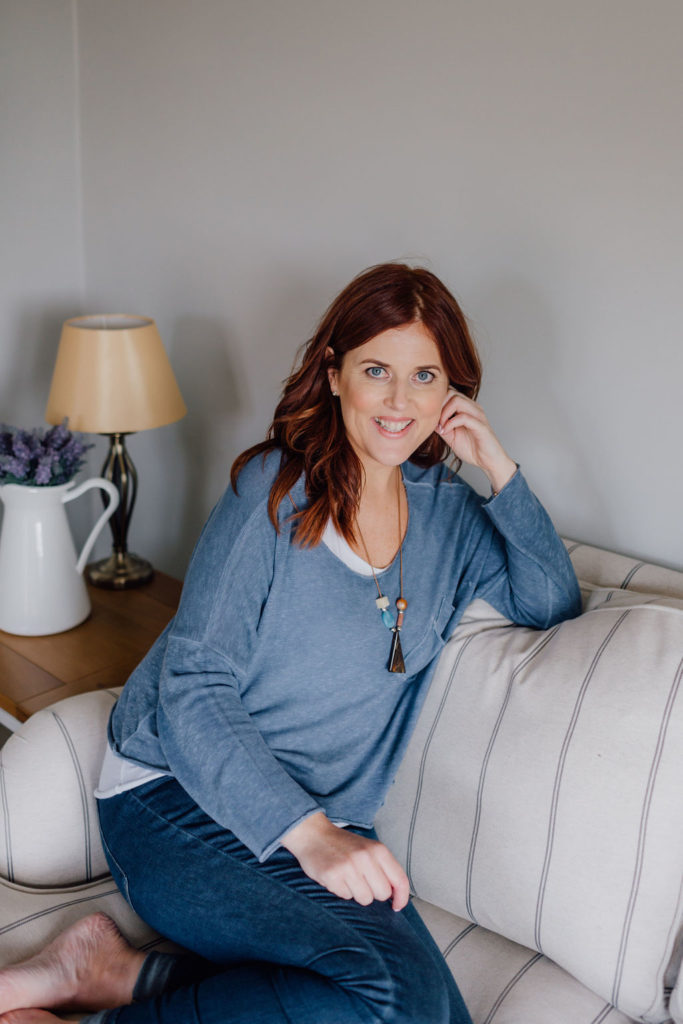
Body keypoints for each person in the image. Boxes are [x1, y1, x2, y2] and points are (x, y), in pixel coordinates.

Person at [0, 263, 581, 1024]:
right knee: (398, 997)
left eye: (425, 376)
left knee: (430, 1010)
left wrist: (499, 468)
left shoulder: (452, 516)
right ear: (334, 375)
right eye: (376, 370)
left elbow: (549, 602)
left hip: (326, 821)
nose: (399, 401)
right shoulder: (274, 490)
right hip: (173, 796)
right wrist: (310, 837)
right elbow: (192, 688)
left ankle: (127, 975)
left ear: (453, 393)